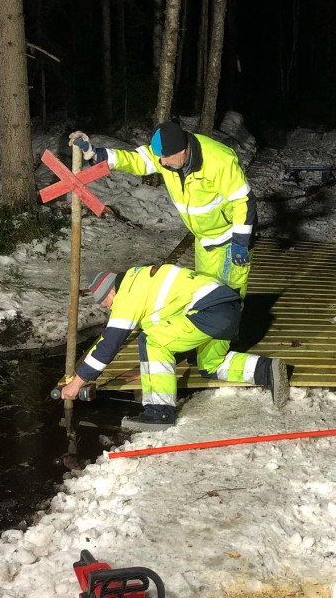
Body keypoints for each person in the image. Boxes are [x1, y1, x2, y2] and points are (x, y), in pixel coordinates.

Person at [61, 266, 288, 429]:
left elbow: (109, 343)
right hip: (227, 308)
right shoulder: (140, 278)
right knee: (210, 365)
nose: (109, 308)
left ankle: (159, 413)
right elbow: (175, 333)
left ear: (111, 292)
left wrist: (79, 381)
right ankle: (267, 369)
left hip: (208, 311)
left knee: (150, 340)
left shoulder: (128, 294)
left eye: (106, 304)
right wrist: (145, 370)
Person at [73, 119, 257, 298]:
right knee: (206, 293)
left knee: (227, 299)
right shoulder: (168, 154)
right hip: (205, 240)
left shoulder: (217, 160)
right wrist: (98, 155)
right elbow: (136, 159)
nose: (161, 163)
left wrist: (240, 242)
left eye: (165, 158)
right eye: (159, 158)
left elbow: (243, 200)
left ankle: (230, 329)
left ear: (183, 151)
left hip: (231, 240)